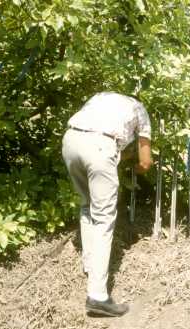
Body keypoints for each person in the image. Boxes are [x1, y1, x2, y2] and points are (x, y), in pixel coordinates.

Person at [62, 92, 152, 317]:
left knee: (87, 205)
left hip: (71, 141)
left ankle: (91, 266)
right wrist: (138, 168)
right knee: (103, 217)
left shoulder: (101, 96)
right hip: (100, 147)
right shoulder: (139, 109)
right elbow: (145, 161)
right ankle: (98, 297)